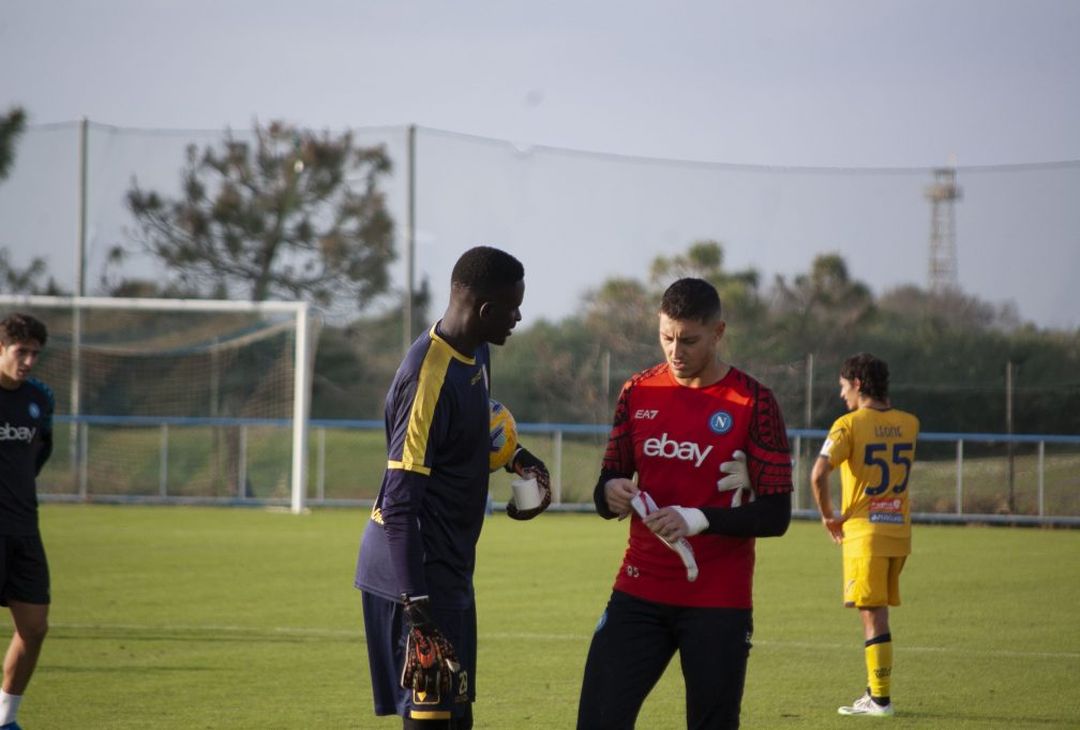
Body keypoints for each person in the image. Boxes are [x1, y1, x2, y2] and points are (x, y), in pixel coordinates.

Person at [577, 278, 793, 730]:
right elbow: (607, 484)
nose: (675, 351)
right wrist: (610, 492)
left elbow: (776, 515)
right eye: (666, 337)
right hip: (639, 590)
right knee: (598, 720)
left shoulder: (754, 403)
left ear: (718, 332)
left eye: (689, 340)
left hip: (719, 599)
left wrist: (695, 519)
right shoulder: (638, 392)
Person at [354, 246, 552, 730]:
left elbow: (475, 427)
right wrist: (417, 608)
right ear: (485, 310)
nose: (519, 316)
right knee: (431, 723)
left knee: (456, 719)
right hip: (414, 575)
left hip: (449, 571)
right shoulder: (427, 379)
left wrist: (519, 459)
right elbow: (399, 506)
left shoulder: (477, 350)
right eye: (513, 307)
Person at [810, 352, 919, 718]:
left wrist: (828, 517)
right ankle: (874, 692)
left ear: (857, 384)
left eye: (843, 387)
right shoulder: (910, 423)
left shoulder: (848, 425)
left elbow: (818, 474)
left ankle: (881, 701)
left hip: (865, 534)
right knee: (878, 612)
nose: (842, 395)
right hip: (898, 533)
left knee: (872, 616)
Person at [0, 313, 55, 730]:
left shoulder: (40, 398)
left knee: (34, 628)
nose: (29, 361)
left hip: (24, 529)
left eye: (36, 353)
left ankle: (5, 719)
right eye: (22, 352)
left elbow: (39, 454)